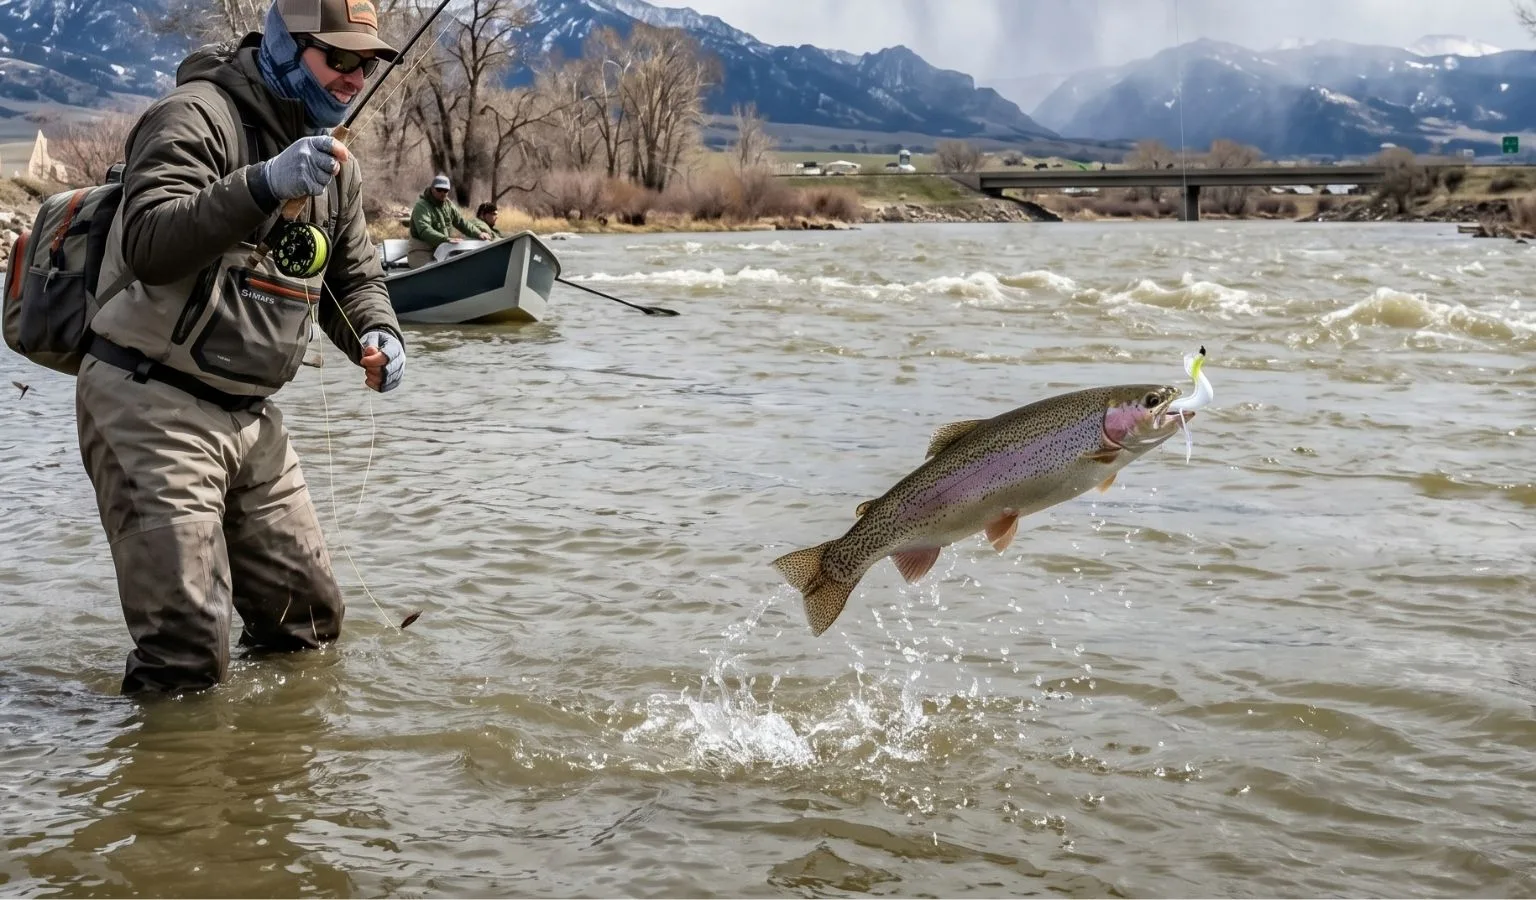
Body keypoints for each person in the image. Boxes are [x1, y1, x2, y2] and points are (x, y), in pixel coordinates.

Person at [77, 0, 407, 695]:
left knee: (308, 626)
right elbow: (149, 243)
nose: (354, 77)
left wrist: (378, 335)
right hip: (150, 401)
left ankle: (269, 761)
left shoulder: (336, 163)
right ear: (285, 46)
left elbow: (355, 279)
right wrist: (262, 184)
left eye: (367, 62)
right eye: (338, 57)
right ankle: (166, 762)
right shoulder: (194, 115)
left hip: (252, 415)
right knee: (187, 655)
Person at [407, 174, 494, 266]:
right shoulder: (422, 206)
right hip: (420, 252)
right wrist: (446, 239)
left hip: (442, 250)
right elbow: (424, 231)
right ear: (432, 189)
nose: (442, 193)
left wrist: (478, 233)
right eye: (439, 189)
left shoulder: (448, 205)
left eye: (445, 190)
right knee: (433, 269)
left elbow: (461, 222)